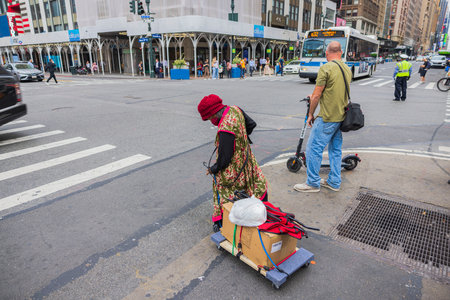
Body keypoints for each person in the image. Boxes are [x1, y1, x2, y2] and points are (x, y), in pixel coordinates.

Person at [197, 94, 268, 231]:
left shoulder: (225, 128)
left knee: (223, 187)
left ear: (213, 114)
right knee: (253, 182)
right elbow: (251, 124)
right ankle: (257, 211)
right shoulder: (236, 109)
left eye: (210, 118)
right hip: (247, 158)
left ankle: (224, 222)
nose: (211, 120)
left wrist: (212, 169)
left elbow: (224, 159)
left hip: (234, 168)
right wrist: (241, 140)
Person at [294, 41, 351, 193]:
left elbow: (317, 94)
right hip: (341, 116)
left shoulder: (326, 67)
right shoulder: (347, 68)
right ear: (340, 52)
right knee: (335, 150)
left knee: (313, 149)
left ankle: (312, 183)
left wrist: (311, 113)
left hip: (327, 117)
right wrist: (314, 96)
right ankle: (334, 181)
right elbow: (335, 91)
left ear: (327, 52)